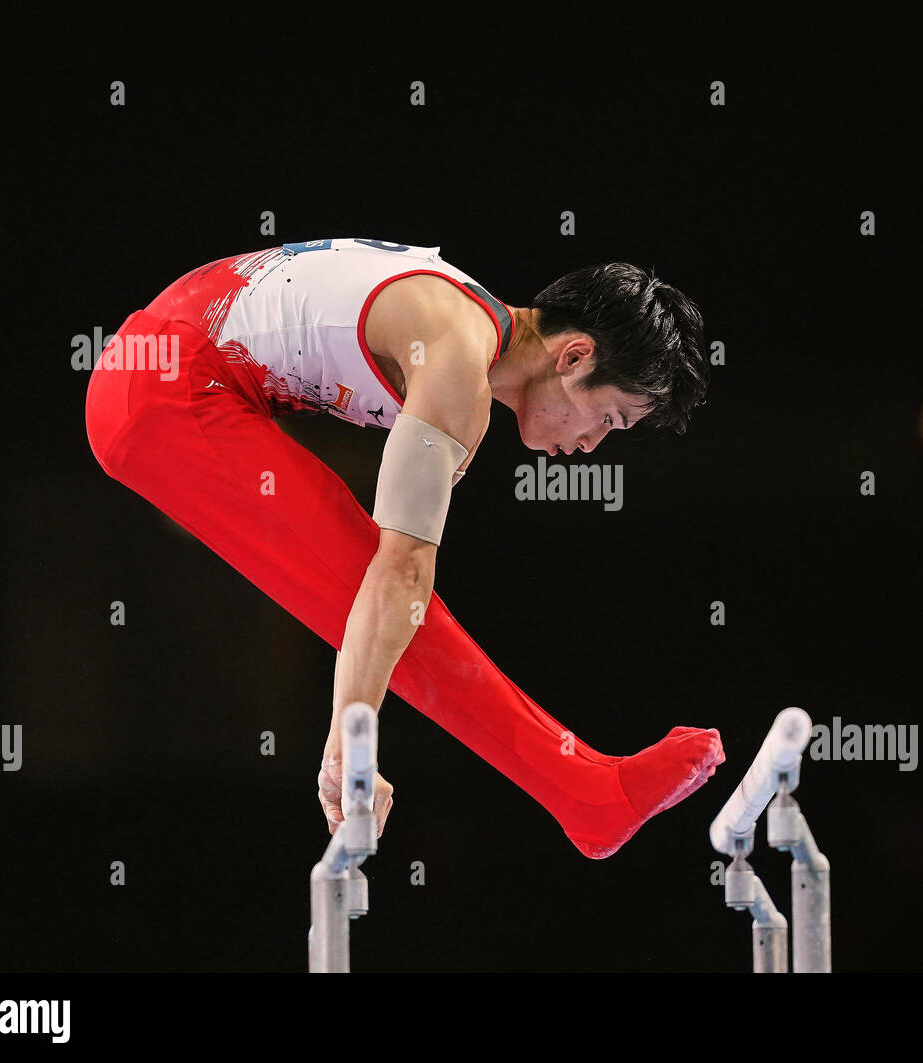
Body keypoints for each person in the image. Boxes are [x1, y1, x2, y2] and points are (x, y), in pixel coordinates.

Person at [84, 237, 724, 858]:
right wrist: (350, 735)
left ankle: (586, 788)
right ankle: (586, 792)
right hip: (165, 385)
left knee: (389, 594)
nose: (591, 446)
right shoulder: (455, 358)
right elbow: (400, 573)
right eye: (610, 419)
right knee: (390, 590)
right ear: (576, 357)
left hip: (164, 363)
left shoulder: (465, 325)